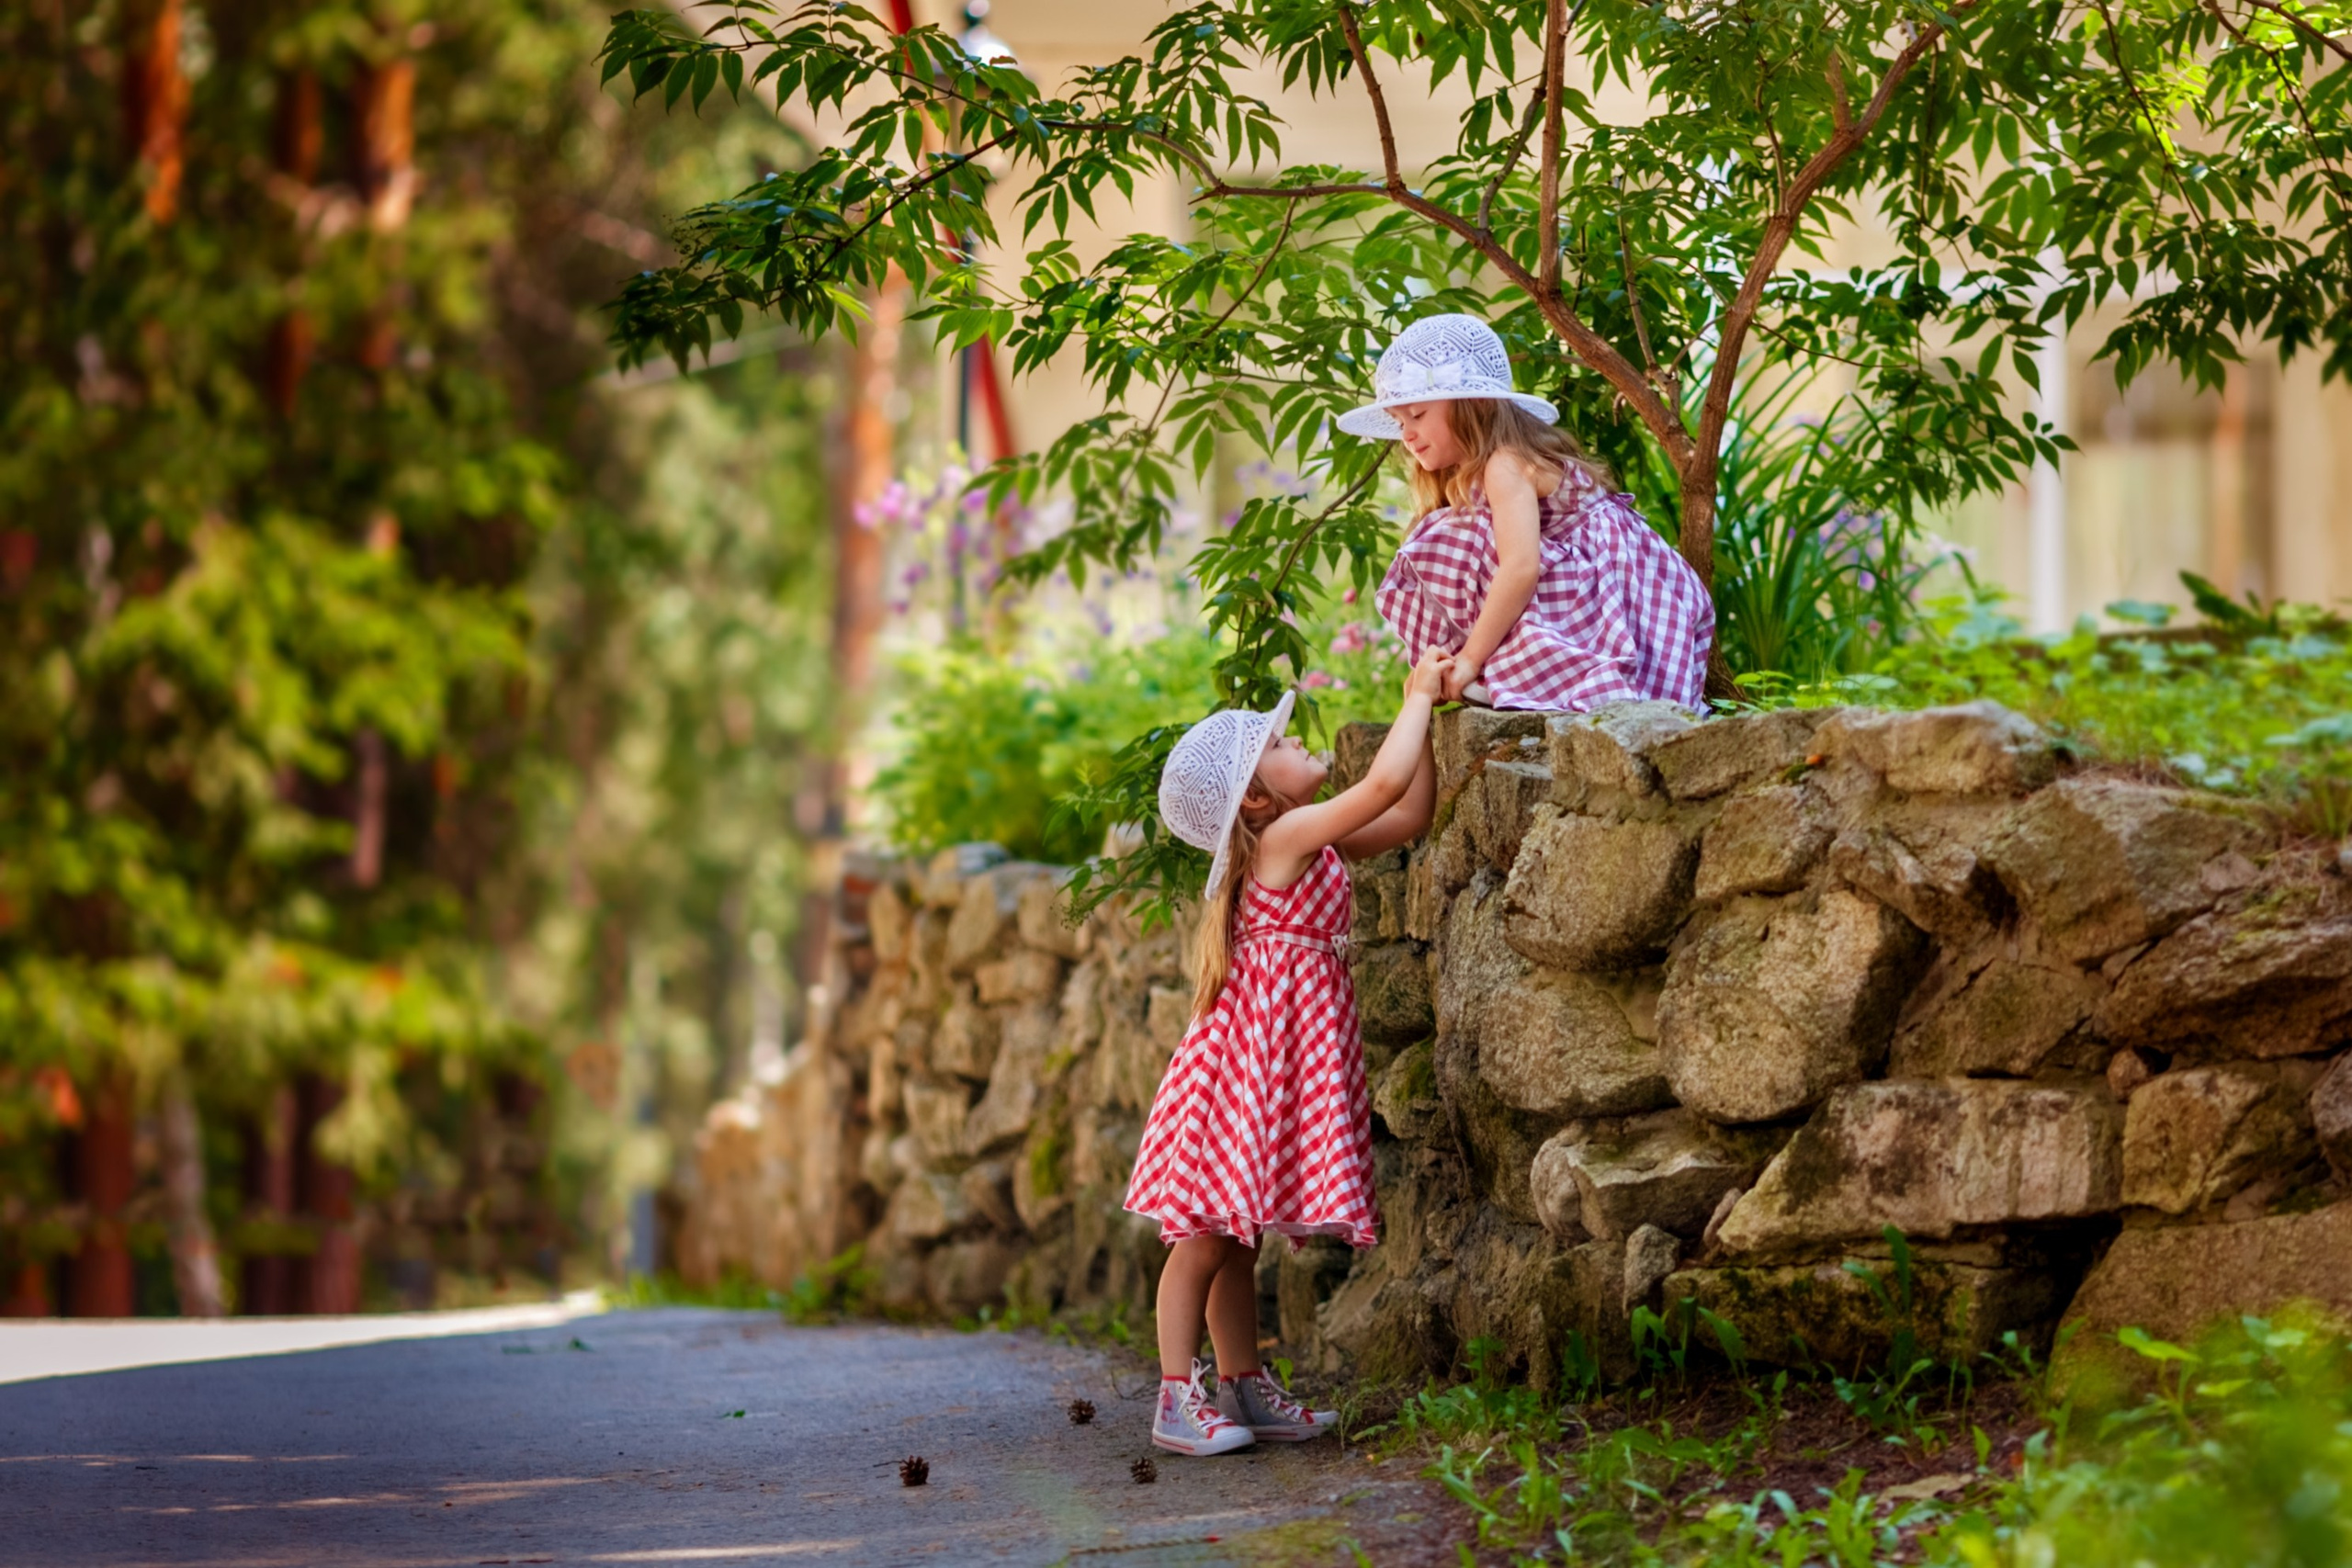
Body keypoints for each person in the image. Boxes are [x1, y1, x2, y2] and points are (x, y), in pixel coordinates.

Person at [1124, 646, 1453, 1456]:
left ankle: (1242, 1384)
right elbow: (1378, 786)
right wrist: (1413, 694)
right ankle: (1175, 1395)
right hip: (1242, 1072)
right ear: (1260, 799)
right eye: (1280, 744)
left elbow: (1408, 815)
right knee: (1203, 1236)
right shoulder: (1288, 838)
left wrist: (1436, 720)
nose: (1297, 739)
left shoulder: (1310, 842)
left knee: (1241, 1235)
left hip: (1274, 1066)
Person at [1340, 313, 1714, 712]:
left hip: (1618, 588)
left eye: (1417, 415)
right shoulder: (1481, 472)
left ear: (1475, 405)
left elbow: (1521, 568)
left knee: (1449, 537)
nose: (1407, 434)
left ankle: (1488, 663)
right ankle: (1487, 663)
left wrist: (1470, 659)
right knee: (1448, 530)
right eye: (1399, 422)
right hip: (1595, 583)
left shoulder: (1505, 463)